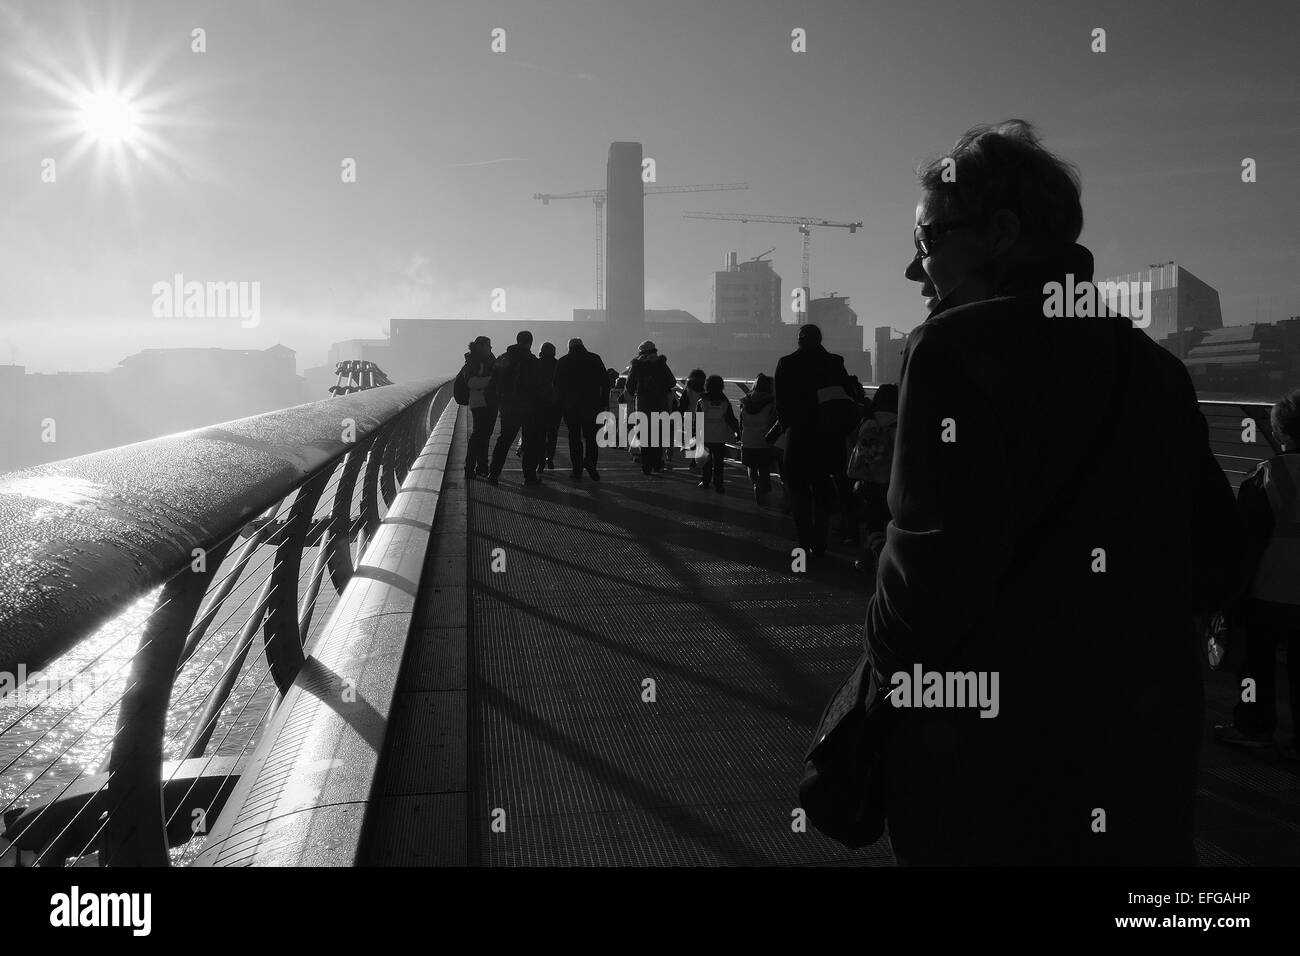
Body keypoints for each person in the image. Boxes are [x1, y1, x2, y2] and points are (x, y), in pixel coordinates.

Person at [861, 119, 1244, 865]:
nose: (916, 274)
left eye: (928, 242)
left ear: (1000, 232)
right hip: (1142, 757)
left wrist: (880, 622)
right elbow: (1221, 555)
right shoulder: (1156, 371)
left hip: (996, 765)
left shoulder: (953, 350)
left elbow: (925, 590)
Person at [1214, 387, 1300, 760]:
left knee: (1257, 662)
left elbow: (1244, 540)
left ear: (1280, 432)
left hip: (1270, 590)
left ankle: (1254, 726)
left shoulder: (1266, 475)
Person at [774, 323, 855, 555]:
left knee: (799, 490)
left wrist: (788, 425)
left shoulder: (787, 363)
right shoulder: (834, 362)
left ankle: (804, 539)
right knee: (823, 488)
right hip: (829, 435)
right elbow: (848, 395)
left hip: (799, 434)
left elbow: (781, 404)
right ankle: (820, 539)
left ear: (799, 340)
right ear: (820, 339)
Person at [848, 383, 897, 573]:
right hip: (893, 480)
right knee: (890, 519)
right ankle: (884, 555)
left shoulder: (868, 422)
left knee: (871, 522)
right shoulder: (903, 422)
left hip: (868, 480)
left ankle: (874, 553)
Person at [487, 330, 543, 485]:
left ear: (517, 340)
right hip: (528, 408)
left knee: (504, 440)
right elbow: (539, 385)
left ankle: (494, 473)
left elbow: (492, 383)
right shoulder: (532, 361)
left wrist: (497, 402)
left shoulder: (503, 359)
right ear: (530, 343)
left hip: (508, 407)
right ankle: (529, 477)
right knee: (529, 442)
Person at [554, 337, 607, 481]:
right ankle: (590, 462)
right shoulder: (595, 359)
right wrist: (604, 402)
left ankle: (577, 470)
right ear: (582, 346)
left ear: (569, 347)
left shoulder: (563, 361)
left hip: (571, 406)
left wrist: (561, 405)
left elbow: (557, 386)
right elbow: (605, 381)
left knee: (574, 438)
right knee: (591, 437)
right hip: (592, 405)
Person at [625, 340, 676, 476]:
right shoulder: (661, 364)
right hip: (660, 404)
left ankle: (646, 466)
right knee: (659, 436)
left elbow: (629, 386)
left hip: (643, 406)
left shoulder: (637, 365)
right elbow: (672, 382)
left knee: (645, 436)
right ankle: (658, 464)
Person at [456, 336, 496, 479]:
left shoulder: (489, 359)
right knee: (479, 435)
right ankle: (471, 467)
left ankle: (482, 467)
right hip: (480, 402)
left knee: (484, 435)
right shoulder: (473, 362)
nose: (491, 348)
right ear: (482, 346)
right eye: (488, 345)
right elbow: (472, 382)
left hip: (490, 402)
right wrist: (491, 380)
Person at [697, 374, 739, 493]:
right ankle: (719, 484)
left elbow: (697, 419)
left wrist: (695, 434)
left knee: (706, 461)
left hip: (705, 435)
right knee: (719, 461)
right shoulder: (725, 402)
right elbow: (730, 419)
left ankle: (705, 481)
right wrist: (738, 432)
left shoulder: (702, 401)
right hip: (720, 436)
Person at [740, 373, 777, 504]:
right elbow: (774, 423)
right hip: (765, 440)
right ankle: (762, 490)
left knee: (752, 466)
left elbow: (741, 423)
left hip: (748, 440)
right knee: (765, 468)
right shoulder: (772, 404)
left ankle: (755, 484)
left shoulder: (745, 402)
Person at [535, 342, 561, 471]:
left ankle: (540, 461)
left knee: (540, 433)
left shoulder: (536, 364)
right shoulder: (558, 365)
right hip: (554, 404)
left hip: (539, 404)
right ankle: (549, 458)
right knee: (552, 433)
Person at [679, 369, 707, 470]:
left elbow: (683, 404)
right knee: (700, 439)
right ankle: (699, 460)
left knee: (690, 439)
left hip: (689, 417)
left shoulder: (688, 390)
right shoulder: (705, 391)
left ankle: (693, 460)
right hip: (700, 417)